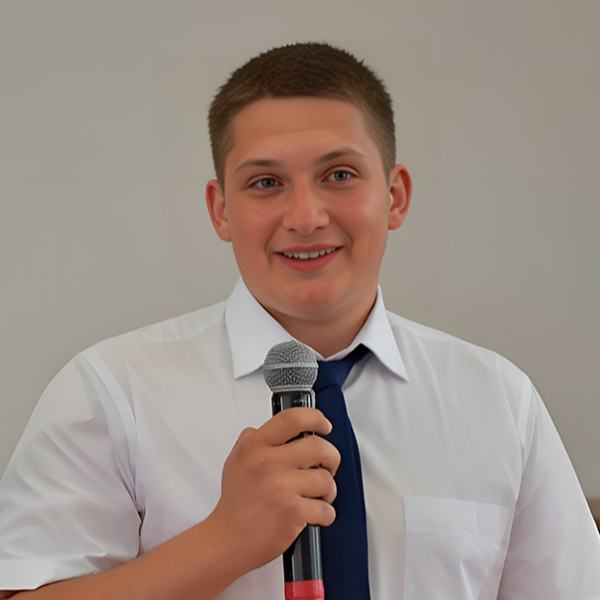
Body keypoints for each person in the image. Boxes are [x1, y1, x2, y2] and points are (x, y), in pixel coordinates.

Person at [0, 42, 599, 600]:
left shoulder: (500, 400)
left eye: (339, 175)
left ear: (394, 196)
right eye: (266, 183)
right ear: (221, 210)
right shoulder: (110, 393)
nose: (306, 217)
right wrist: (223, 542)